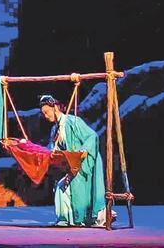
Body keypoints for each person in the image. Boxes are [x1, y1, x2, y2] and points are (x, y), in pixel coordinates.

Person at [39, 94, 115, 227]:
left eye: (46, 112)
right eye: (43, 113)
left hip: (84, 161)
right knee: (61, 187)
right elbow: (53, 149)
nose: (45, 116)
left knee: (77, 189)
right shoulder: (55, 129)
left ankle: (91, 217)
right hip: (70, 164)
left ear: (55, 108)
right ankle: (67, 219)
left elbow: (92, 136)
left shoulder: (72, 121)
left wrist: (81, 153)